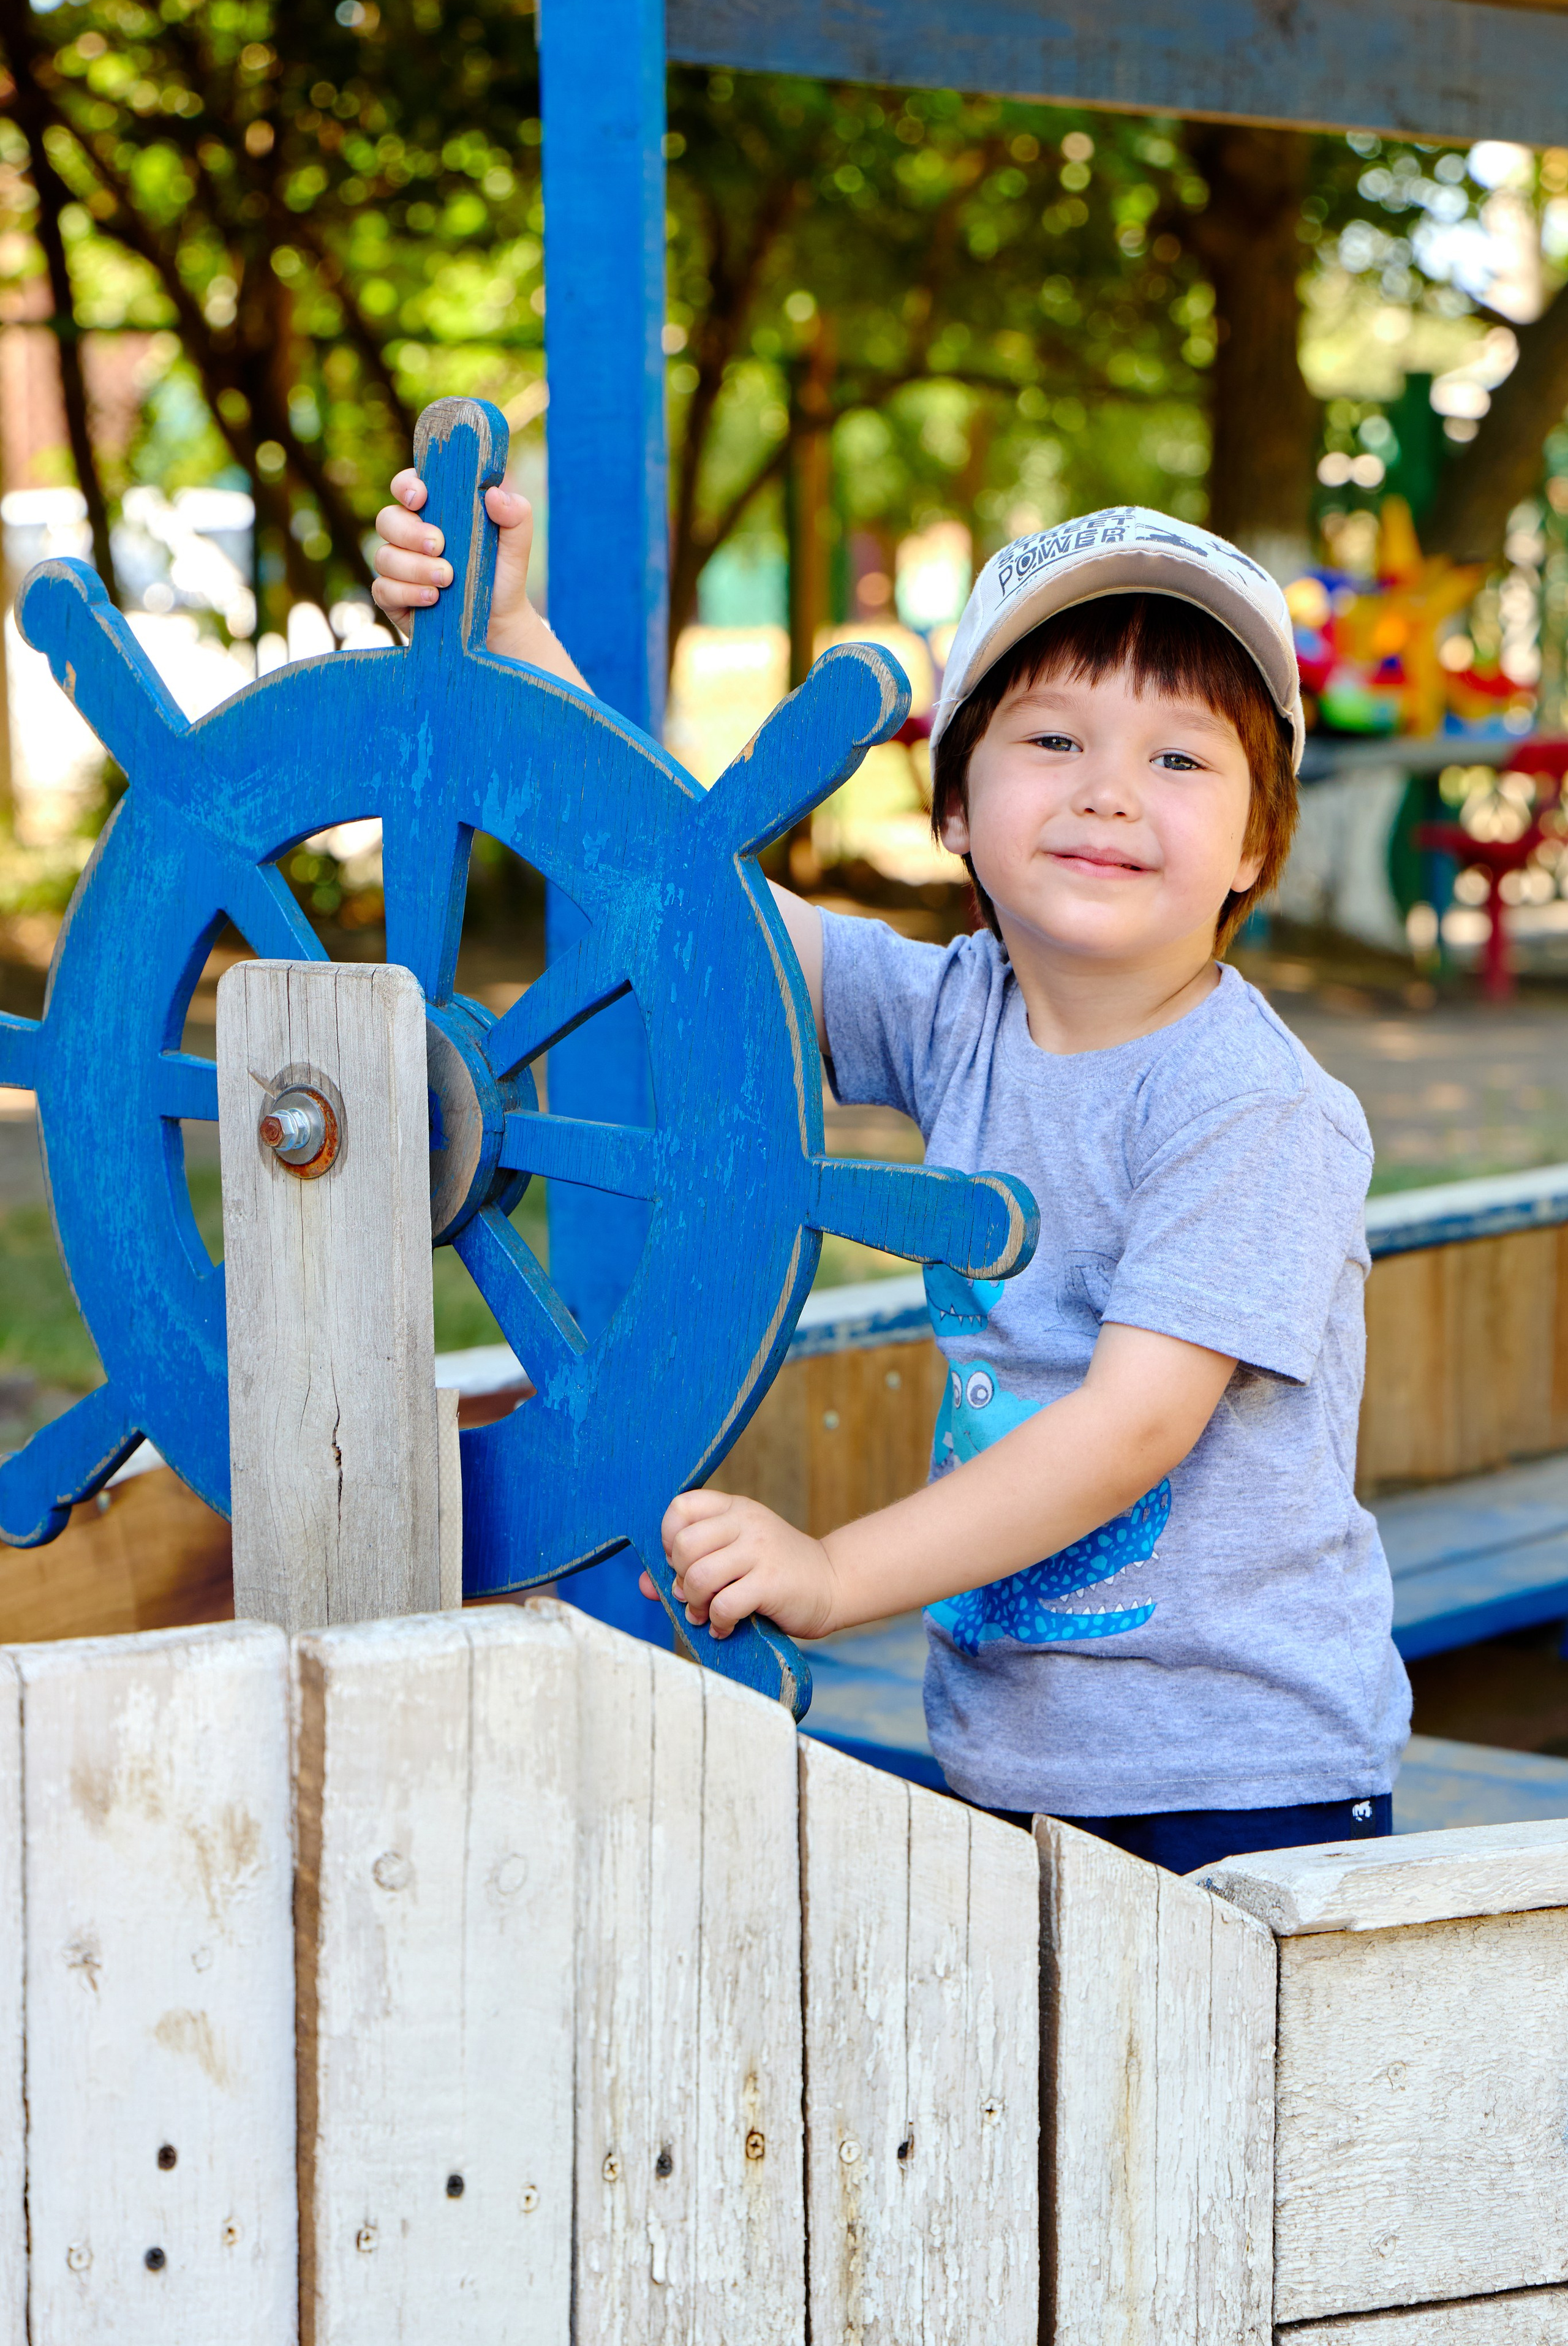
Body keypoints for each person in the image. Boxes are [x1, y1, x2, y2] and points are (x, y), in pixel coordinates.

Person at [373, 479, 1411, 1876]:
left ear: (1252, 847)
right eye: (1051, 739)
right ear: (955, 816)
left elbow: (1129, 1429)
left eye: (1179, 761)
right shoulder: (959, 1014)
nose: (1108, 788)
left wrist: (834, 1572)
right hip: (1014, 1759)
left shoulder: (1250, 1105)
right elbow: (691, 889)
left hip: (1240, 1783)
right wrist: (505, 643)